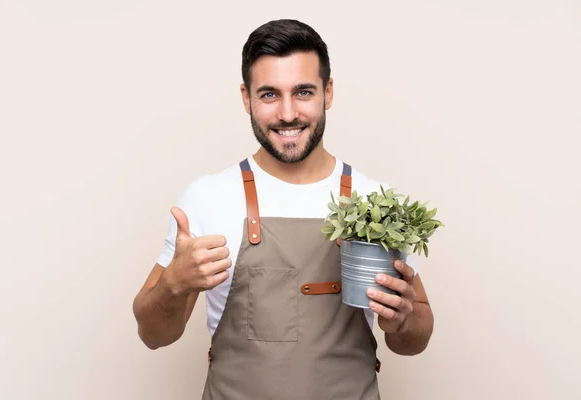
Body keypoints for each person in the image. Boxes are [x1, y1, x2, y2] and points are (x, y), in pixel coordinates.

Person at [132, 18, 434, 400]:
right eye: (269, 94)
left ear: (329, 92)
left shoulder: (374, 201)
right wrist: (174, 284)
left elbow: (415, 340)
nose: (288, 114)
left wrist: (404, 319)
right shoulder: (207, 197)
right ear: (246, 98)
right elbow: (153, 336)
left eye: (304, 92)